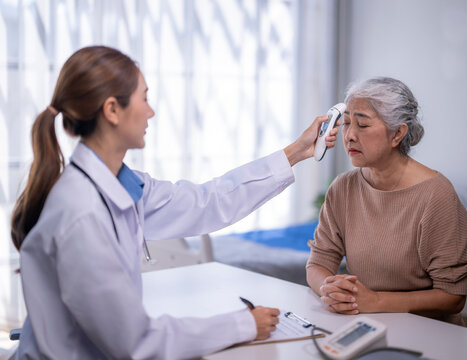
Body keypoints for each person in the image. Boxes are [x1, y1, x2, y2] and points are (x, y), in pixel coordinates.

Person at [10, 45, 340, 359]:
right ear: (112, 110)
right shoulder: (81, 214)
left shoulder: (125, 186)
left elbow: (208, 201)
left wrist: (296, 152)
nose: (151, 111)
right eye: (144, 98)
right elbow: (135, 342)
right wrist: (243, 324)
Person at [306, 77, 467, 325]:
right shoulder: (343, 188)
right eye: (347, 123)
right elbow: (318, 264)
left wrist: (376, 301)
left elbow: (452, 296)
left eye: (362, 125)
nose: (349, 135)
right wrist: (327, 289)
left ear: (397, 134)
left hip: (429, 333)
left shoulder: (436, 195)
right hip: (364, 325)